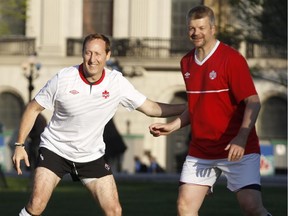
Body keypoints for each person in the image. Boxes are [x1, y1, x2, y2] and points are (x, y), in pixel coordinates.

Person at [12, 33, 186, 216]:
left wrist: (189, 107)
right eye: (88, 53)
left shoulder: (117, 83)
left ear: (107, 56)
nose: (92, 59)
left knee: (114, 211)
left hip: (91, 156)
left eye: (97, 54)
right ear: (82, 54)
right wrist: (19, 145)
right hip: (55, 149)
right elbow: (33, 108)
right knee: (37, 204)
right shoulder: (64, 78)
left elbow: (150, 108)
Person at [149, 5, 272, 216]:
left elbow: (253, 101)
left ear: (213, 28)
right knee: (184, 207)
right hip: (201, 151)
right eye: (191, 28)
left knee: (251, 207)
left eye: (201, 27)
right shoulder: (186, 62)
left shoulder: (231, 59)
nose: (195, 33)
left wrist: (241, 138)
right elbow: (196, 107)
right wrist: (172, 125)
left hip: (237, 148)